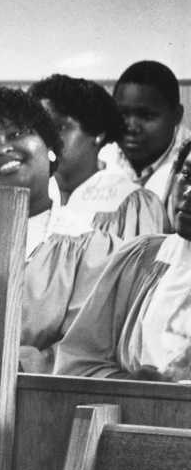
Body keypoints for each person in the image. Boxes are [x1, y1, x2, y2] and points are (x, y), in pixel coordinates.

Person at [0, 87, 132, 372]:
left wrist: (14, 367)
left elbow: (83, 351)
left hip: (31, 395)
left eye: (16, 134)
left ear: (50, 147)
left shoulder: (90, 249)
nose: (1, 149)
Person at [54, 141, 191, 380]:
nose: (188, 192)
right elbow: (78, 364)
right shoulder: (139, 258)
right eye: (187, 174)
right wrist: (136, 385)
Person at [28, 74, 165, 238]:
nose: (46, 139)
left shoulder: (130, 202)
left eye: (59, 127)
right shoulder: (31, 194)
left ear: (97, 132)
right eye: (39, 130)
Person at [101, 60, 190, 232]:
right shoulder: (99, 157)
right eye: (122, 114)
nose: (131, 127)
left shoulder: (187, 164)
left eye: (146, 116)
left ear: (177, 115)